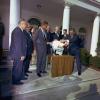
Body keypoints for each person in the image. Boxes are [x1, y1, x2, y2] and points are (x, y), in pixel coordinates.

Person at [10, 19, 27, 85]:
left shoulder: (20, 31)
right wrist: (21, 55)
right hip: (18, 53)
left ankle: (19, 77)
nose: (25, 25)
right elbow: (18, 44)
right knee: (17, 68)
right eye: (25, 24)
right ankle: (15, 81)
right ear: (21, 24)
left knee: (19, 67)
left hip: (18, 53)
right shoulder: (17, 31)